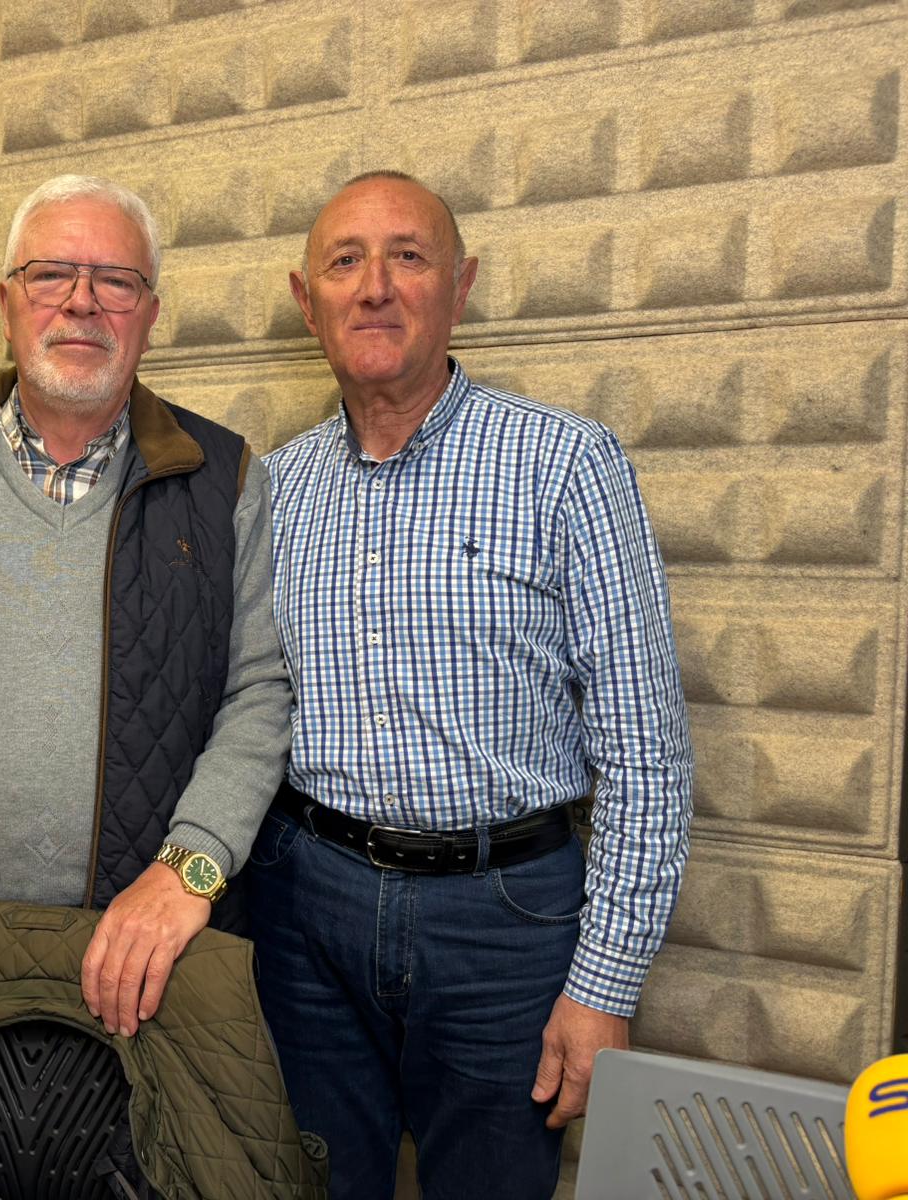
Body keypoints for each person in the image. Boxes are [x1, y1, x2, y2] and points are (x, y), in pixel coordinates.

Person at [253, 171, 693, 1199]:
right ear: (303, 297)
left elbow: (643, 749)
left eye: (407, 256)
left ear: (462, 285)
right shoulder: (270, 490)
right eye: (344, 261)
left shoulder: (565, 463)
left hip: (505, 923)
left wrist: (606, 983)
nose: (373, 287)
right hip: (306, 910)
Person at [0, 174, 290, 1040]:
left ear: (150, 313)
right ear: (6, 302)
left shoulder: (224, 481)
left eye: (116, 281)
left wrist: (188, 871)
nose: (82, 302)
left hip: (146, 952)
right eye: (50, 275)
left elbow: (259, 693)